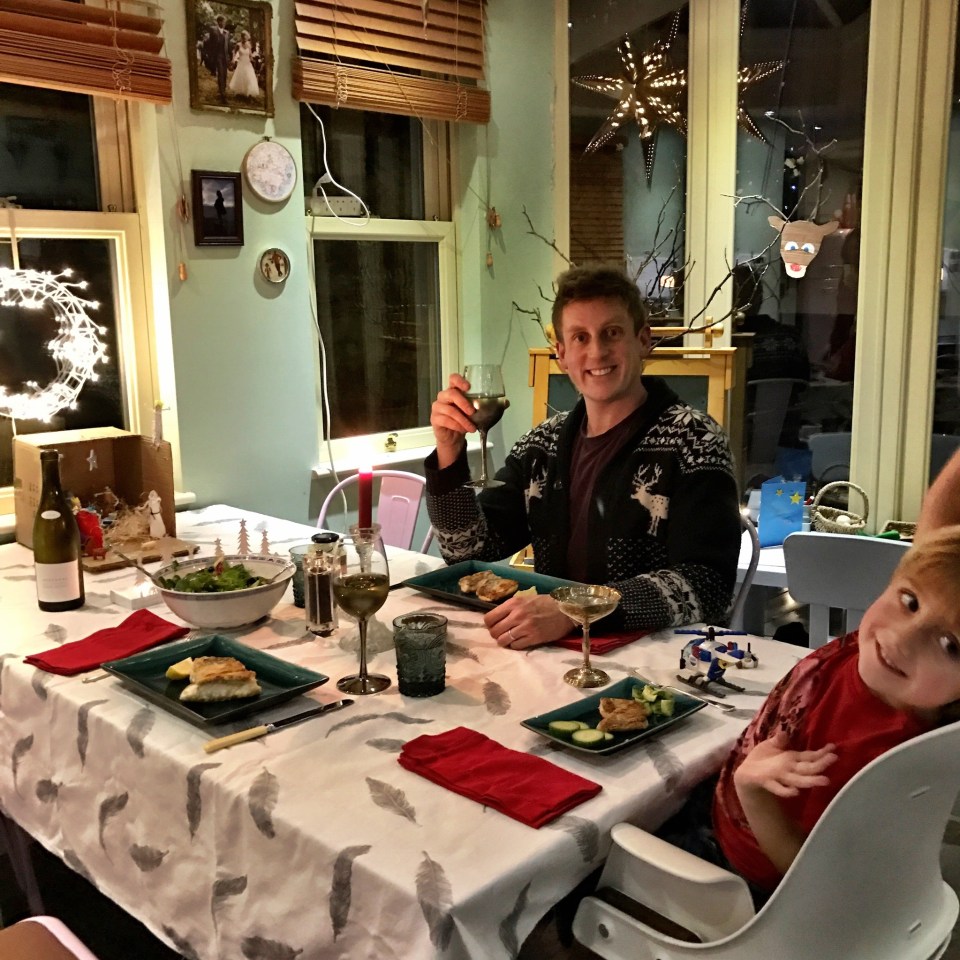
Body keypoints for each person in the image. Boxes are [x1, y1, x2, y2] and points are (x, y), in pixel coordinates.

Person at [425, 265, 742, 649]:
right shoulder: (541, 446)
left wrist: (574, 608)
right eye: (580, 337)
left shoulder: (695, 440)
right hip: (556, 653)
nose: (597, 351)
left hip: (657, 660)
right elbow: (468, 550)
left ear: (644, 340)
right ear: (561, 354)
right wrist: (450, 450)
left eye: (612, 332)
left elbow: (708, 583)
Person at [657, 523, 960, 903]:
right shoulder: (871, 655)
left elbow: (813, 880)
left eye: (951, 646)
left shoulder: (879, 756)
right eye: (911, 602)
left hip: (740, 866)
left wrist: (752, 791)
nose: (903, 637)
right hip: (724, 793)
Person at [228, 30, 261, 100]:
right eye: (243, 37)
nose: (245, 39)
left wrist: (254, 58)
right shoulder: (238, 45)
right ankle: (240, 92)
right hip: (241, 63)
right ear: (242, 37)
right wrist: (233, 59)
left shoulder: (249, 45)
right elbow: (234, 52)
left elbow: (250, 55)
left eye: (246, 37)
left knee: (249, 77)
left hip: (247, 63)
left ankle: (248, 92)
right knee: (241, 77)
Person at [206, 15, 231, 104]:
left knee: (224, 74)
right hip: (217, 56)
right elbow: (210, 44)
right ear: (219, 22)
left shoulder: (226, 33)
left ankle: (223, 89)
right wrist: (210, 56)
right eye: (223, 21)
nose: (224, 23)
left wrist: (230, 57)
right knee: (220, 73)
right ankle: (222, 94)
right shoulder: (213, 30)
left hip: (225, 56)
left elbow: (228, 46)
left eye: (225, 22)